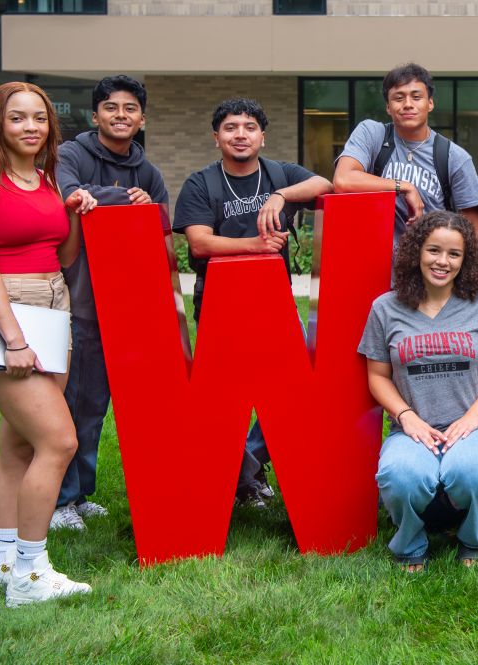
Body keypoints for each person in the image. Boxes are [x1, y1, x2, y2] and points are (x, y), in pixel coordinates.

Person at [0, 81, 96, 606]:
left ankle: (2, 560)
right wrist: (13, 340)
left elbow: (64, 254)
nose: (30, 126)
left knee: (18, 446)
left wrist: (75, 214)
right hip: (6, 314)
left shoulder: (48, 181)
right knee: (59, 442)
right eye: (18, 118)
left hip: (54, 309)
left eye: (39, 118)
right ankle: (31, 576)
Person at [173, 98, 333, 506]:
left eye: (248, 127)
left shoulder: (278, 173)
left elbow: (324, 185)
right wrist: (256, 245)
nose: (240, 134)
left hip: (274, 304)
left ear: (262, 136)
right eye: (230, 128)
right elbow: (199, 242)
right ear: (216, 138)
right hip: (219, 303)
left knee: (297, 391)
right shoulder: (200, 184)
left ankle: (248, 466)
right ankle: (241, 478)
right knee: (219, 400)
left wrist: (279, 196)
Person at [358, 211, 478, 571]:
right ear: (416, 252)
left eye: (454, 254)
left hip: (472, 426)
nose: (442, 262)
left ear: (466, 259)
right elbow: (377, 376)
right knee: (400, 475)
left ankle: (475, 539)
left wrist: (473, 417)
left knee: (473, 471)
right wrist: (406, 416)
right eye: (433, 250)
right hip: (412, 427)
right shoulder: (386, 308)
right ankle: (411, 543)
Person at [51, 74, 170, 531]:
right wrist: (126, 200)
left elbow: (161, 227)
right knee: (79, 399)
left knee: (101, 404)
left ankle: (81, 493)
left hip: (132, 304)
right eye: (111, 108)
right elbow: (71, 197)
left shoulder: (148, 170)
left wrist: (140, 206)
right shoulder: (73, 154)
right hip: (84, 300)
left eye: (130, 109)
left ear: (142, 118)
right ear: (95, 114)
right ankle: (63, 499)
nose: (121, 116)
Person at [334, 63, 478, 245]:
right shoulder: (372, 134)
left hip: (429, 268)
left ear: (430, 103)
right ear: (388, 107)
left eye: (416, 97)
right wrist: (404, 187)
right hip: (375, 267)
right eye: (399, 98)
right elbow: (343, 181)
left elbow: (474, 231)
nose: (408, 104)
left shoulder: (453, 157)